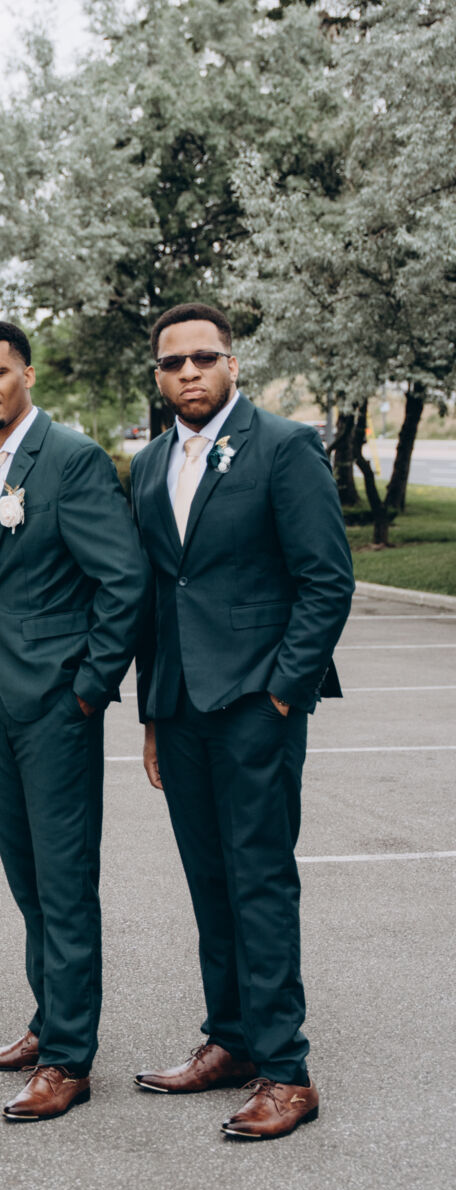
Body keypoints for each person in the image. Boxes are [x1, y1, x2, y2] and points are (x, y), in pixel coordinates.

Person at [130, 302, 354, 1140]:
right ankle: (229, 1041)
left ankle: (287, 1072)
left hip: (259, 705)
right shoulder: (149, 464)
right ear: (159, 376)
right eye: (173, 362)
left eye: (203, 357)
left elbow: (327, 580)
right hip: (181, 708)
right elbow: (158, 597)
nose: (188, 372)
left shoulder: (285, 446)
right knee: (208, 880)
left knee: (259, 880)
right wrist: (153, 713)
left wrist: (283, 694)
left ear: (232, 363)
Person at [0, 319, 148, 1122]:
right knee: (27, 880)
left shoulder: (69, 458)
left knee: (65, 884)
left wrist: (90, 688)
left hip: (57, 704)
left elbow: (124, 580)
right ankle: (46, 1021)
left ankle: (69, 1058)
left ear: (27, 375)